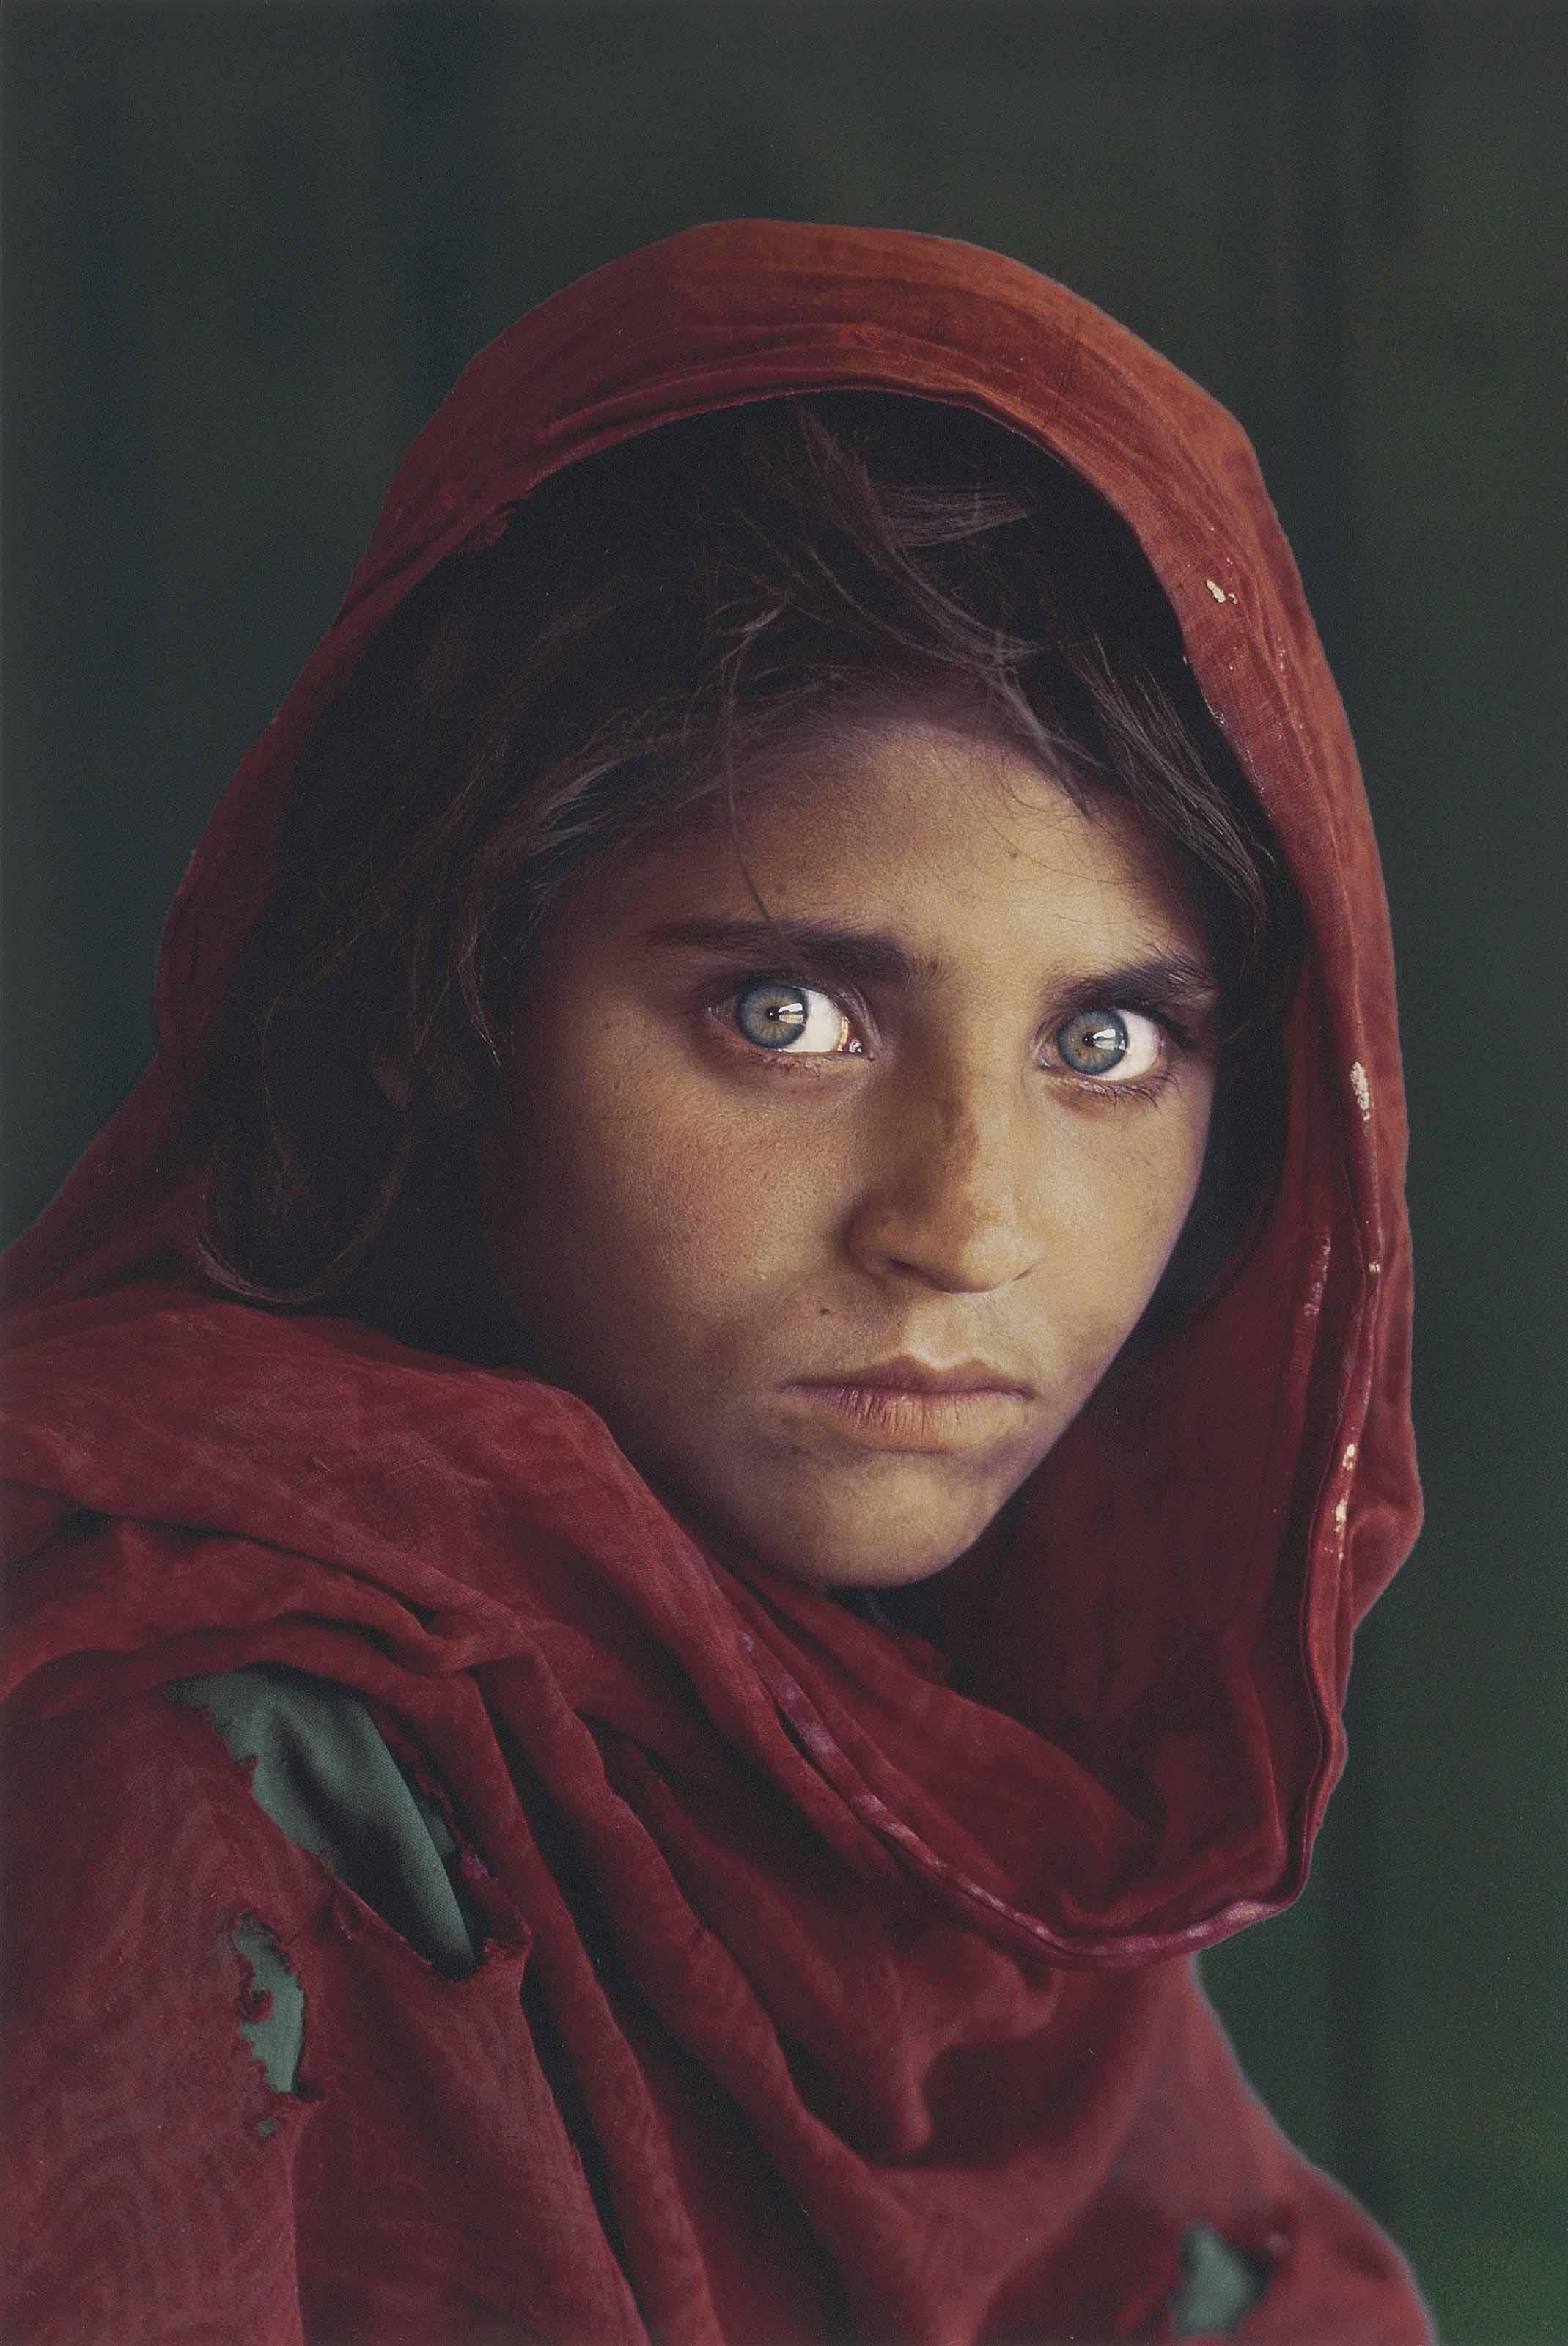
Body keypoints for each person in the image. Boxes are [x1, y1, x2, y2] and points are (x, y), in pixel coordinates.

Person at [1, 221, 1429, 2342]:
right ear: (446, 988)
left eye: (1107, 1042)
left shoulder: (949, 1782)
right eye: (785, 1015)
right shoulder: (191, 1758)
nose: (964, 1222)